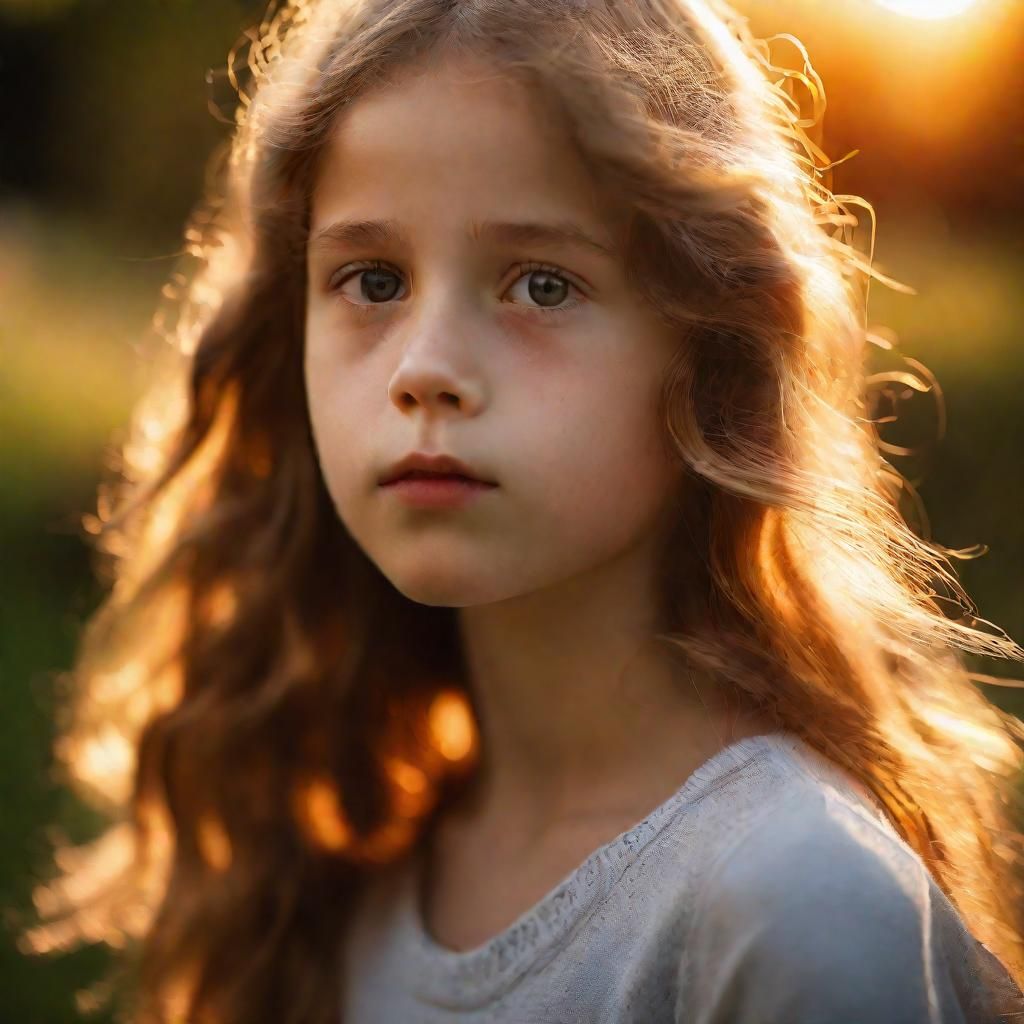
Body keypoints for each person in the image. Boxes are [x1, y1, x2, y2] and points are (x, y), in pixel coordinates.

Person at [19, 0, 1024, 1022]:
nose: (424, 369)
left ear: (708, 352)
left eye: (540, 284)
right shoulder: (334, 863)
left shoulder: (793, 904)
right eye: (371, 279)